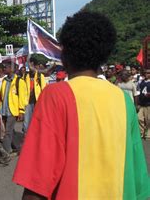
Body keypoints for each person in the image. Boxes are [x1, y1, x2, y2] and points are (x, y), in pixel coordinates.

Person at [13, 11, 149, 199]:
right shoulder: (123, 100)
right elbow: (139, 176)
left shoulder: (56, 95)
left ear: (66, 53)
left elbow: (37, 184)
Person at [0, 61, 27, 155]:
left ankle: (5, 153)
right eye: (4, 67)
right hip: (4, 110)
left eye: (6, 67)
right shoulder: (4, 80)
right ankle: (17, 148)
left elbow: (23, 98)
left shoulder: (19, 81)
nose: (4, 68)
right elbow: (2, 96)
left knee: (7, 132)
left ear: (12, 69)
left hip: (13, 111)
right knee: (11, 131)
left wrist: (21, 111)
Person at [23, 57, 47, 134]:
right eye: (30, 65)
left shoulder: (40, 77)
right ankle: (26, 141)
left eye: (33, 65)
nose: (31, 67)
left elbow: (44, 90)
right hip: (27, 103)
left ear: (36, 66)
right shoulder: (25, 76)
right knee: (26, 125)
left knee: (38, 123)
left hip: (38, 103)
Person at [138, 68, 150, 140]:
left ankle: (148, 134)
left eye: (148, 73)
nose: (147, 74)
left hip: (149, 104)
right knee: (139, 118)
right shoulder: (141, 82)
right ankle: (141, 133)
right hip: (142, 103)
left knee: (149, 120)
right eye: (146, 73)